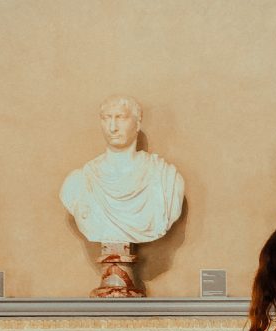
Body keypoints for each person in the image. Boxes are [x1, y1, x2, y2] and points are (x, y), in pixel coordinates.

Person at [60, 95, 184, 243]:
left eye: (121, 118)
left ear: (137, 124)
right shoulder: (79, 182)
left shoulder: (166, 179)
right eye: (106, 118)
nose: (112, 127)